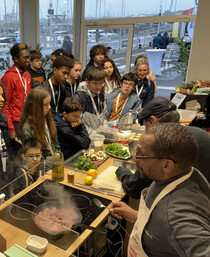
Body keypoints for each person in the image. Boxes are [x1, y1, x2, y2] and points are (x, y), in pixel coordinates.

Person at [110, 123, 210, 257]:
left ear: (167, 165)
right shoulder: (178, 176)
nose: (135, 158)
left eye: (141, 155)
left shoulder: (177, 215)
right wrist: (137, 216)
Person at [116, 97, 210, 199]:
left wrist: (122, 172)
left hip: (178, 203)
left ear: (153, 121)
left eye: (145, 127)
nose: (146, 131)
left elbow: (134, 188)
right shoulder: (201, 133)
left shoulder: (160, 146)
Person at [1, 43, 32, 141]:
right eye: (25, 58)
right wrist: (11, 129)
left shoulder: (27, 75)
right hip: (16, 123)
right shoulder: (8, 77)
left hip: (28, 120)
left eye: (28, 57)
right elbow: (4, 105)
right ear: (16, 59)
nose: (28, 60)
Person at [17, 87, 58, 160]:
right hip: (42, 167)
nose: (49, 107)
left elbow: (56, 145)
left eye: (49, 103)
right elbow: (34, 159)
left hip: (54, 163)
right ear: (36, 107)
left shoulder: (48, 118)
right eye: (45, 104)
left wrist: (58, 161)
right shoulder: (27, 129)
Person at [75, 66, 107, 135]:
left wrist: (105, 129)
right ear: (87, 81)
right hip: (85, 137)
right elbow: (77, 122)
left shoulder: (101, 95)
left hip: (99, 136)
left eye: (101, 83)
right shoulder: (79, 97)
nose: (98, 87)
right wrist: (95, 133)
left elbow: (104, 115)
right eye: (94, 83)